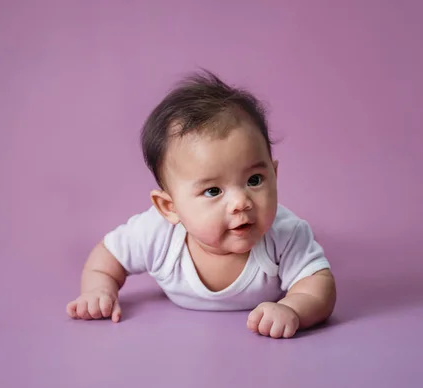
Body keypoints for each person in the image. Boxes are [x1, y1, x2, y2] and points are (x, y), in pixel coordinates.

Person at [66, 70, 336, 339]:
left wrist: (293, 309)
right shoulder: (157, 234)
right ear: (169, 208)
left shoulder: (285, 234)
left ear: (274, 177)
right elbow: (107, 258)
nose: (241, 202)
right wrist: (99, 290)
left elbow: (318, 286)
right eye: (213, 190)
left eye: (254, 180)